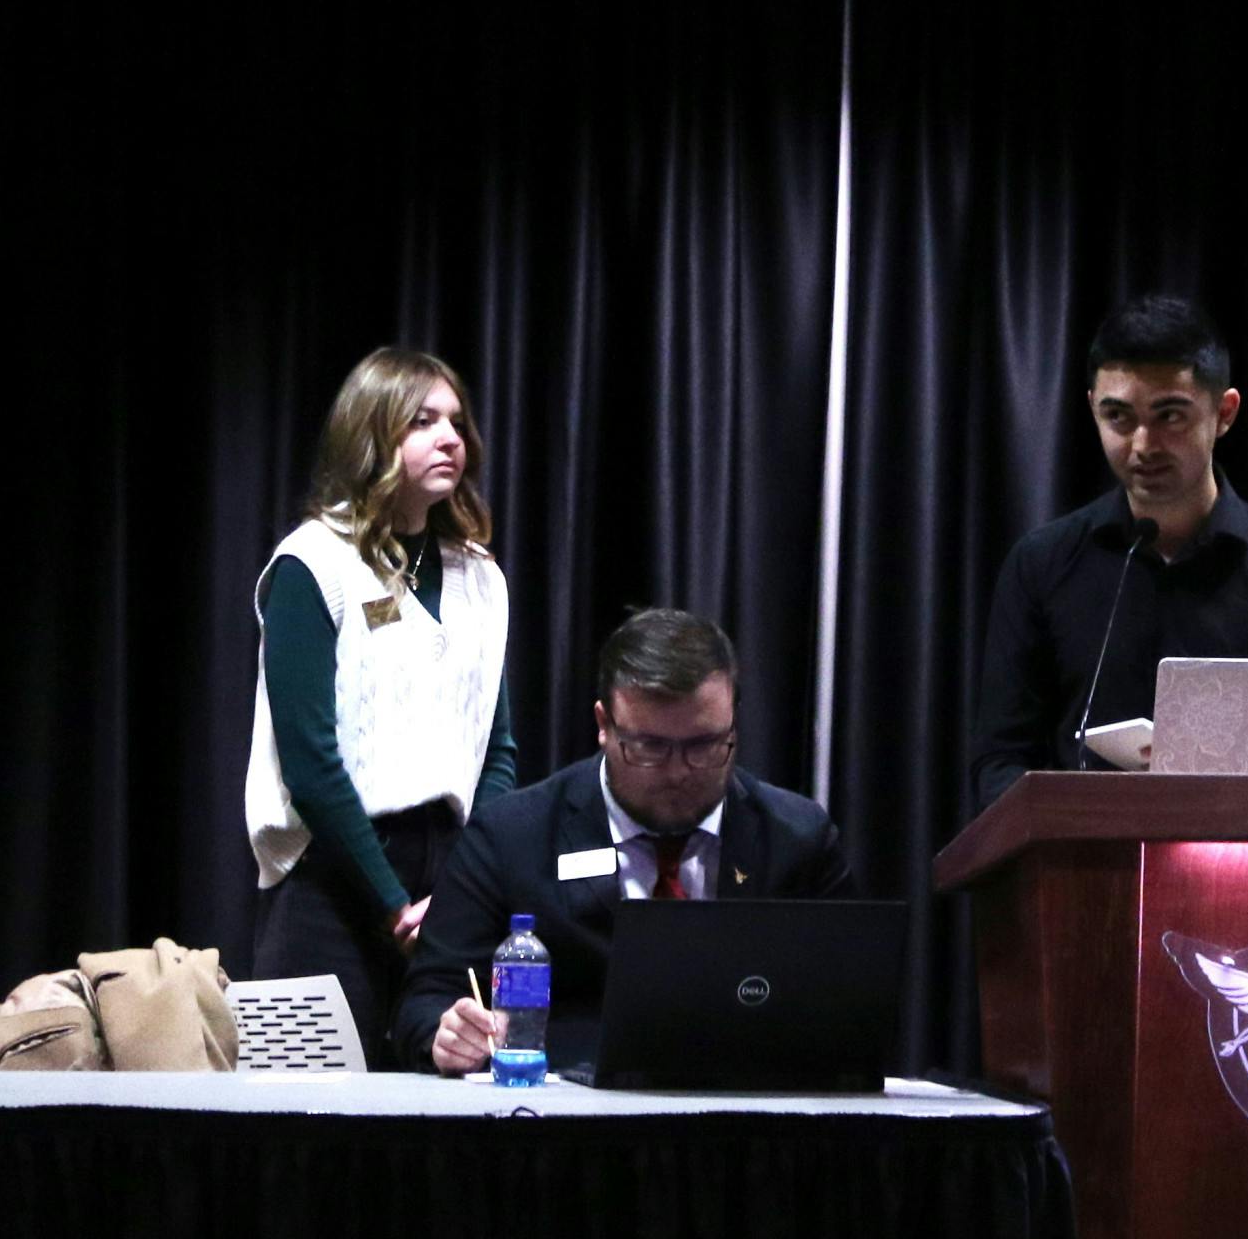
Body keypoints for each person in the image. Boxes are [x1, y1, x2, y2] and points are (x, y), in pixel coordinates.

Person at [395, 607, 855, 1073]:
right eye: (649, 747)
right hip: (563, 1125)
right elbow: (426, 1001)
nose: (678, 772)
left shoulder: (797, 840)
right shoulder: (513, 837)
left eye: (704, 746)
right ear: (603, 724)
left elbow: (853, 1010)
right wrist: (447, 1034)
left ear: (732, 723)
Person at [969, 294, 1248, 811]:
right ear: (1092, 411)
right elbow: (1001, 762)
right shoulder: (1041, 565)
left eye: (1170, 415)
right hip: (1081, 871)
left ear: (1224, 413)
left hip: (1245, 872)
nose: (1143, 444)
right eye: (1118, 416)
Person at [246, 347, 515, 1066]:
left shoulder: (479, 577)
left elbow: (497, 749)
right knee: (306, 1124)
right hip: (334, 885)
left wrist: (463, 893)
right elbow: (310, 763)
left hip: (446, 890)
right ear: (370, 436)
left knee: (444, 1121)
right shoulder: (315, 563)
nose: (451, 438)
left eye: (456, 421)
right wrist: (394, 903)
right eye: (422, 421)